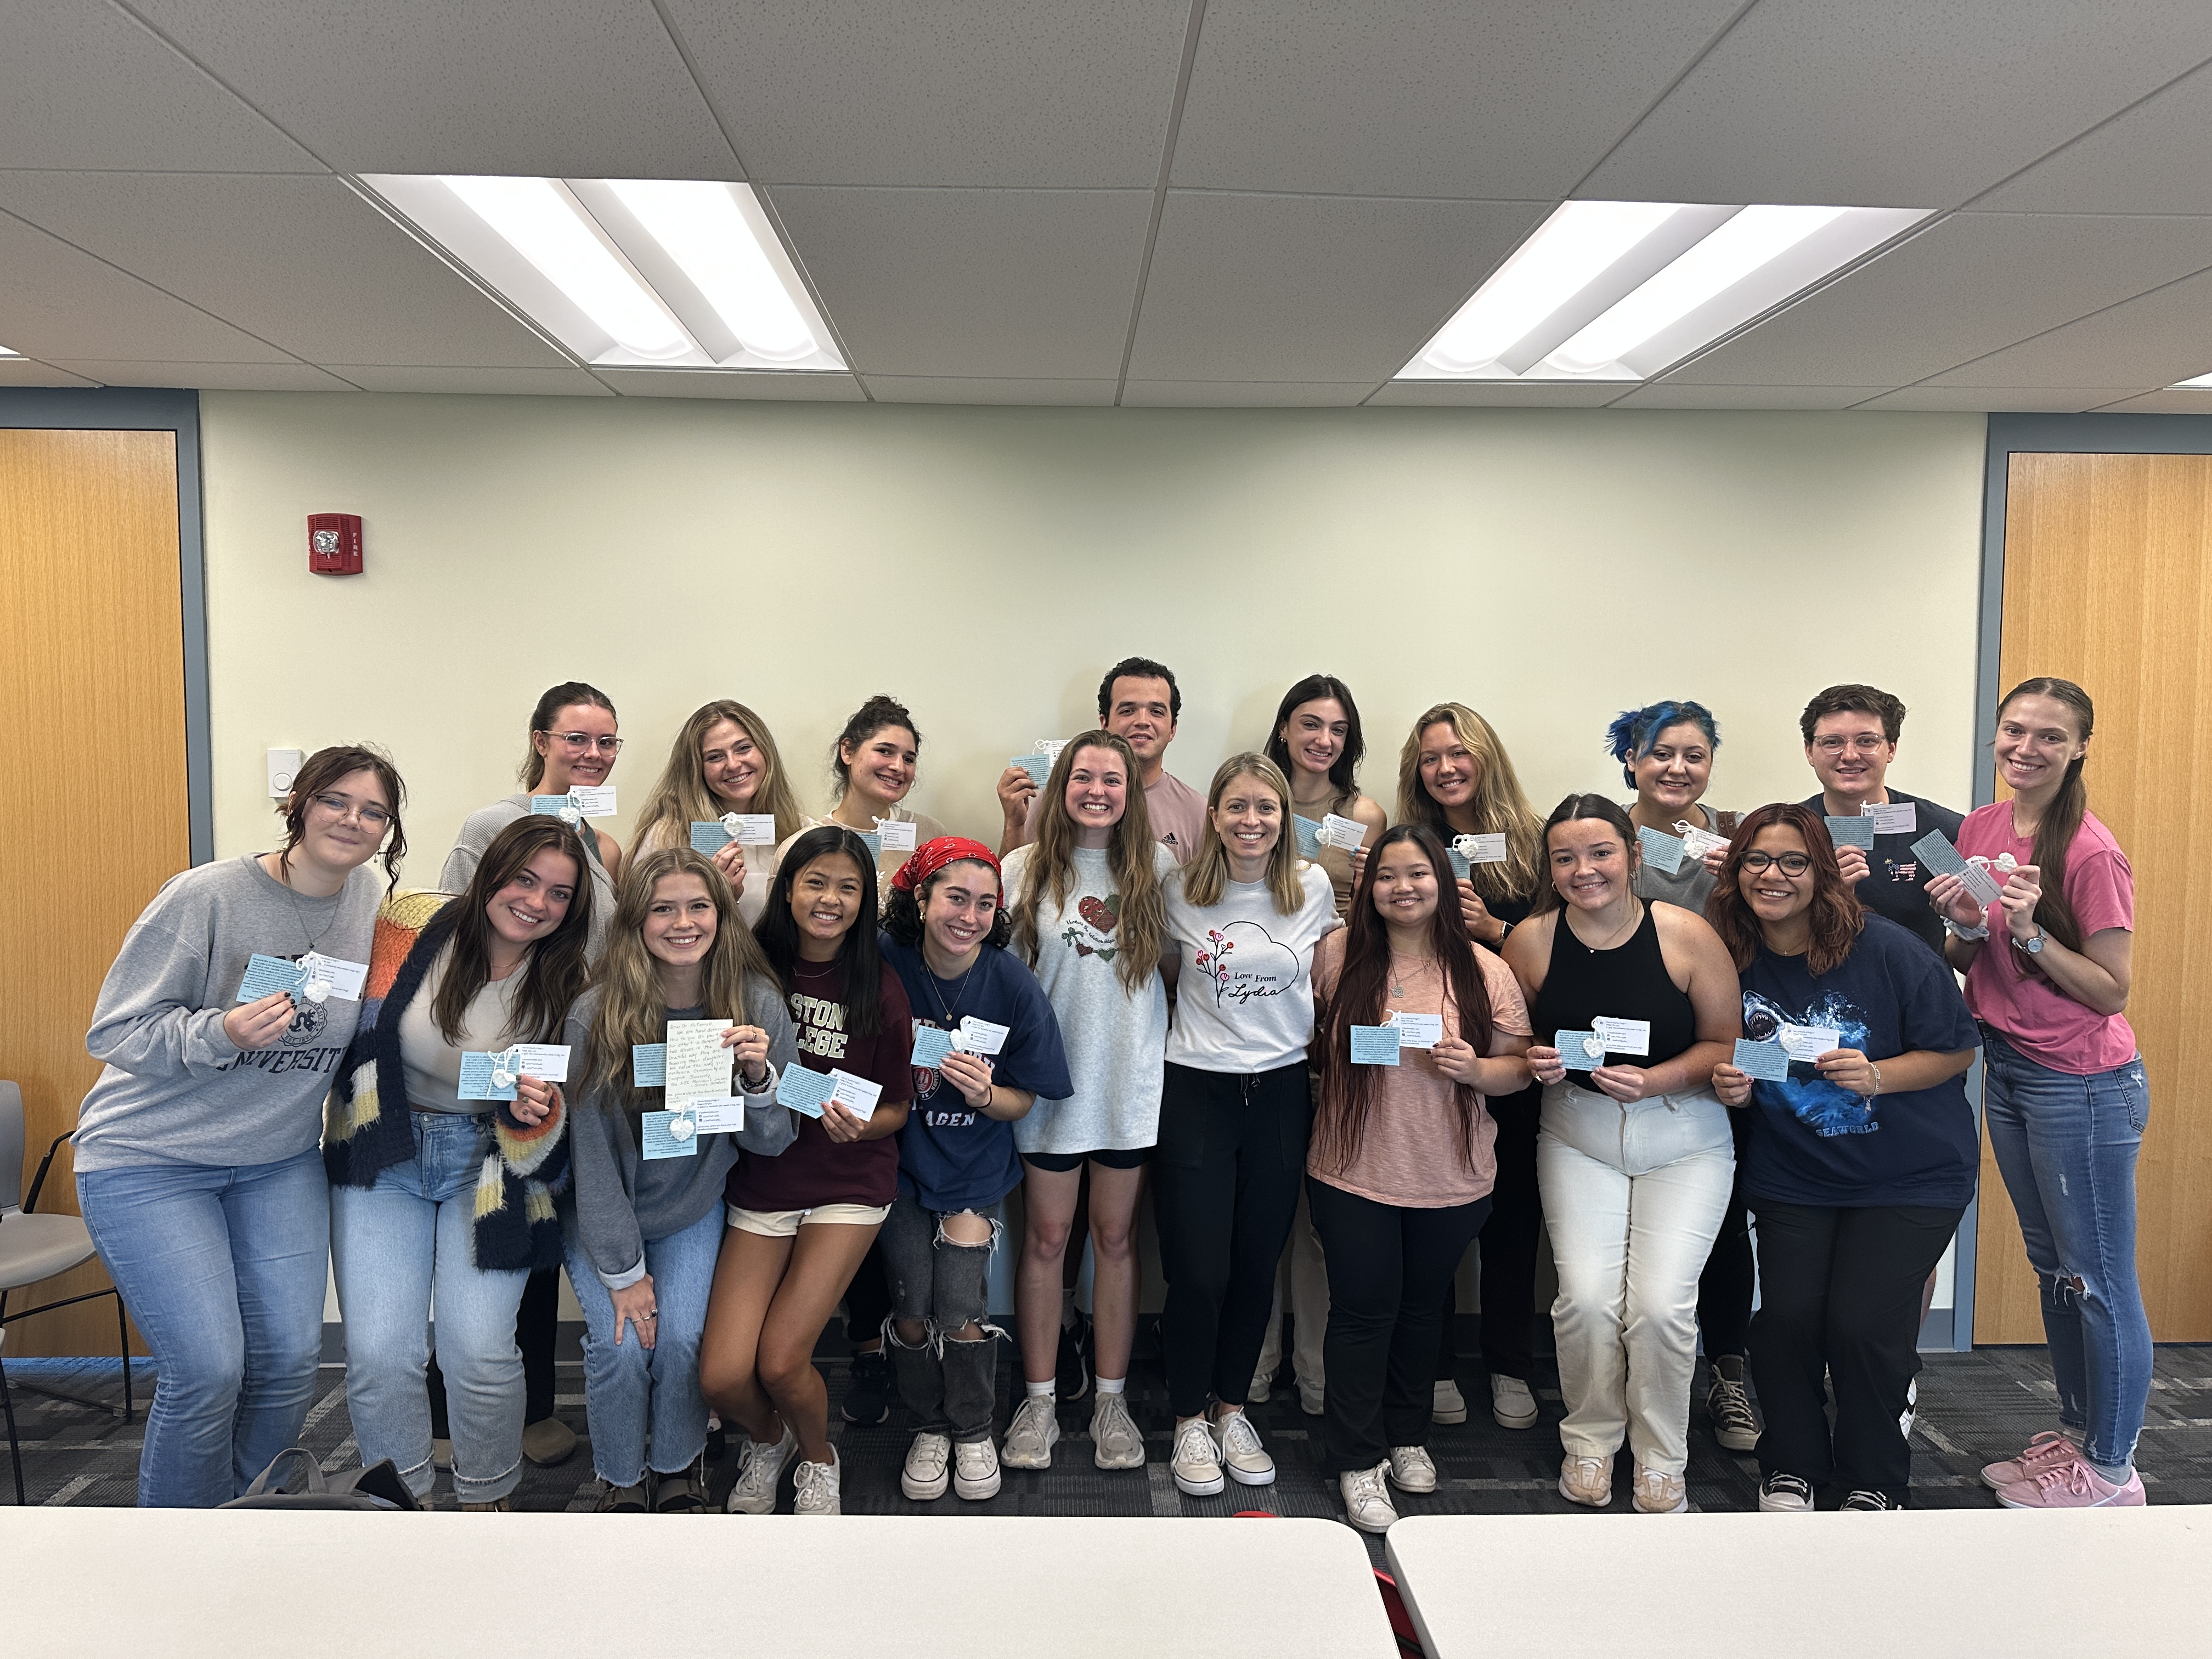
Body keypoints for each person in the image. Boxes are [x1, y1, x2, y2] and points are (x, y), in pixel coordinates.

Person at [74, 747, 405, 1508]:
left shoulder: (365, 905)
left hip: (276, 1161)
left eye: (374, 811)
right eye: (337, 801)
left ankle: (251, 1518)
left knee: (290, 1362)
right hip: (150, 1161)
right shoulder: (208, 895)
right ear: (299, 803)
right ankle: (181, 1551)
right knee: (209, 1369)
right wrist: (219, 1033)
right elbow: (116, 1031)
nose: (353, 820)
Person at [1707, 805, 1978, 1512]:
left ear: (1822, 872)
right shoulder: (1726, 954)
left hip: (1910, 1173)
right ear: (1736, 872)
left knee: (1864, 1325)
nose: (1774, 875)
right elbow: (1738, 1050)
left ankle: (1873, 1477)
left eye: (1794, 861)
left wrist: (1881, 1075)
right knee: (1789, 1318)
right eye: (1757, 860)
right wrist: (1733, 1083)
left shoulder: (1886, 949)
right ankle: (1790, 1465)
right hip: (1797, 1172)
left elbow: (1955, 1050)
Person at [326, 816, 594, 1510]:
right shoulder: (410, 924)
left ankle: (485, 1498)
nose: (537, 903)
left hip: (492, 1168)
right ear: (489, 872)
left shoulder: (572, 979)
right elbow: (345, 1009)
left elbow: (572, 1100)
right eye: (525, 879)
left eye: (560, 894)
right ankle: (399, 1504)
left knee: (478, 1353)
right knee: (383, 1357)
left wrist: (542, 1110)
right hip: (386, 1153)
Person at [1934, 678, 2147, 1510]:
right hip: (2010, 1068)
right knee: (2056, 1269)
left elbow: (2110, 991)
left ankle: (2112, 1469)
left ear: (2080, 747)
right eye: (2013, 731)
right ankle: (2082, 1434)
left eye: (2049, 737)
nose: (2025, 748)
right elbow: (1963, 957)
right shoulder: (1980, 827)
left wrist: (2029, 930)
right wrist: (1959, 920)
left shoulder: (2090, 852)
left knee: (2097, 1279)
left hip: (2083, 1084)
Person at [1504, 794, 1740, 1515]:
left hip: (1684, 1137)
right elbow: (1512, 1039)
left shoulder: (1686, 934)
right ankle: (1590, 1441)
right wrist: (1531, 1060)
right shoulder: (1533, 941)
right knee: (1583, 1302)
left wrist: (1655, 1080)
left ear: (1634, 855)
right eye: (1566, 858)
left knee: (1662, 1308)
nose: (1585, 870)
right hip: (1577, 1135)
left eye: (1601, 852)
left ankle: (1662, 1455)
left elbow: (1724, 1043)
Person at [1309, 826, 1532, 1533]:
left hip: (1452, 1173)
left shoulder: (1484, 968)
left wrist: (1476, 1070)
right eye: (1386, 877)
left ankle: (1407, 1436)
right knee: (1363, 1310)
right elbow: (1309, 1042)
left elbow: (1517, 1067)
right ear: (1366, 889)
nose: (1403, 888)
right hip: (1352, 1168)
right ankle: (1357, 1455)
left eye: (1418, 875)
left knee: (1422, 1312)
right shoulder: (1338, 955)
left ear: (1443, 882)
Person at [564, 848, 799, 1511]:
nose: (682, 923)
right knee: (620, 1347)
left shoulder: (753, 1003)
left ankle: (675, 1466)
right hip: (606, 1215)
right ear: (636, 920)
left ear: (722, 917)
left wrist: (757, 1080)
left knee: (682, 1341)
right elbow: (590, 1156)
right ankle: (617, 1476)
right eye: (662, 908)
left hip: (692, 1208)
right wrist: (622, 1271)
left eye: (698, 906)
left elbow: (774, 1140)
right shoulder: (596, 1013)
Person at [699, 827, 913, 1518]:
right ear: (788, 887)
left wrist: (861, 1123)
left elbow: (896, 1108)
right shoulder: (746, 967)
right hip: (763, 1182)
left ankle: (819, 1456)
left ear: (865, 901)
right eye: (816, 882)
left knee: (782, 1362)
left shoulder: (880, 987)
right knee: (724, 1376)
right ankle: (771, 1440)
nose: (830, 899)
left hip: (849, 1184)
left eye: (848, 888)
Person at [440, 679, 624, 1466]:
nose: (592, 755)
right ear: (542, 740)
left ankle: (536, 1408)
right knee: (482, 1241)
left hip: (572, 1063)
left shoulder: (605, 845)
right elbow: (448, 932)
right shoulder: (492, 825)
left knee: (539, 1228)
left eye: (606, 742)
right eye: (577, 739)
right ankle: (453, 1425)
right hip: (492, 1061)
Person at [1156, 754, 1341, 1497]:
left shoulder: (1312, 887)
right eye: (1236, 807)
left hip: (1281, 1092)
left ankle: (1231, 1409)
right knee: (1199, 1271)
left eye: (1266, 807)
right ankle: (1185, 1419)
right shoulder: (1181, 889)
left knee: (1255, 1263)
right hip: (1196, 1090)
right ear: (1215, 816)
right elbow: (1160, 973)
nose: (1252, 821)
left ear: (1283, 816)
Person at [879, 838, 1071, 1502]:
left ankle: (971, 1429)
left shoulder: (1009, 980)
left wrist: (988, 1095)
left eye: (986, 904)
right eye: (955, 898)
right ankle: (929, 1426)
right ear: (921, 899)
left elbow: (1029, 1096)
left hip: (970, 1170)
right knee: (909, 1311)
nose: (970, 915)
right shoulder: (885, 961)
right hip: (897, 1168)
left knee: (961, 1308)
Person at [1001, 732, 1172, 1475]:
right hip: (1048, 1088)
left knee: (1117, 1241)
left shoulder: (1161, 869)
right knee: (1044, 1241)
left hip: (1129, 1086)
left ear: (1132, 793)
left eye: (1113, 779)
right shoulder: (1021, 869)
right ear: (1060, 785)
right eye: (1083, 776)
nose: (1098, 789)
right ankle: (1039, 1401)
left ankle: (1110, 1401)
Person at [777, 693, 941, 1425]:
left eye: (909, 756)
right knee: (817, 1175)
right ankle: (816, 1355)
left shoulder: (925, 835)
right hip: (820, 1037)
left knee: (885, 1190)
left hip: (897, 1034)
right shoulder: (806, 841)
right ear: (848, 752)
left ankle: (879, 1346)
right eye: (885, 751)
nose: (898, 766)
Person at [1389, 702, 1548, 1434]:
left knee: (1512, 1218)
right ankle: (1440, 1364)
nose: (1446, 767)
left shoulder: (1537, 844)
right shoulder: (1412, 843)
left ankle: (1510, 1360)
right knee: (1432, 1214)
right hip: (1423, 1063)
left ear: (1487, 755)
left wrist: (1498, 931)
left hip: (1512, 1059)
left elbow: (1565, 952)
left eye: (1458, 753)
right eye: (1431, 758)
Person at [1609, 699, 1758, 1454]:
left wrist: (1741, 882)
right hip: (1622, 1061)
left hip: (1718, 1056)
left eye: (1693, 755)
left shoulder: (1740, 835)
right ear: (1631, 759)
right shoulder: (1602, 834)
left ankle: (1729, 1372)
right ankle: (1624, 1376)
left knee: (1725, 1227)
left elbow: (1783, 929)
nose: (1677, 768)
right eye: (1661, 753)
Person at [1250, 676, 1390, 1416]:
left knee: (1315, 1215)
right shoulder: (1251, 799)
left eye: (1338, 729)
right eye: (1310, 724)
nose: (1323, 740)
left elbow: (1378, 909)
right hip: (1260, 1009)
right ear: (1284, 728)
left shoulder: (1360, 812)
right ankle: (1255, 1361)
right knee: (1262, 1213)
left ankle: (1312, 1373)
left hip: (1332, 1002)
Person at [1798, 684, 1964, 958]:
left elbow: (1975, 929)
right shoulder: (1787, 832)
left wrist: (1969, 931)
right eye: (1832, 742)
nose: (1850, 755)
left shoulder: (1938, 832)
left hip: (1917, 995)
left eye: (1866, 741)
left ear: (1891, 749)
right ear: (1809, 751)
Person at [996, 656, 1207, 863]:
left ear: (1173, 729)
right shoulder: (1055, 802)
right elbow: (1015, 885)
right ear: (1104, 723)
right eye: (1127, 710)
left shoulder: (1197, 812)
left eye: (1156, 711)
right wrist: (1013, 825)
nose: (1143, 721)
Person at [628, 699, 805, 929]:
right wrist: (716, 897)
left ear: (765, 751)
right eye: (715, 757)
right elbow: (642, 925)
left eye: (743, 748)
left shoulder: (797, 830)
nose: (733, 765)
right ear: (696, 769)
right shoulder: (668, 837)